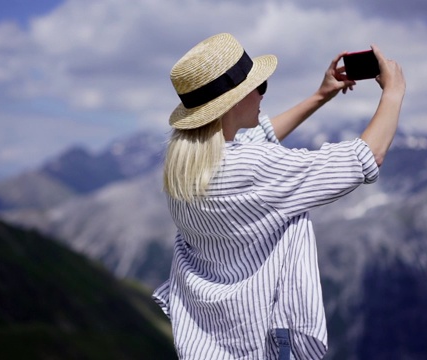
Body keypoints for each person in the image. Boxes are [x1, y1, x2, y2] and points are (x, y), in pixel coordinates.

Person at [153, 33, 405, 359]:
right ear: (233, 102)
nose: (262, 94)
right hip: (257, 342)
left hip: (206, 342)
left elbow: (260, 138)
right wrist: (394, 91)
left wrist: (321, 95)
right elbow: (364, 159)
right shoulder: (253, 168)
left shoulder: (185, 167)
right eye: (258, 87)